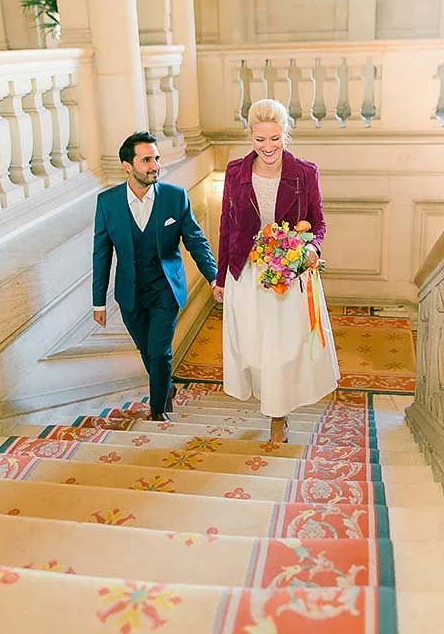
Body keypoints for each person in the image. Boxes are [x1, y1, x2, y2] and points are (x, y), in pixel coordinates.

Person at [213, 99, 340, 442]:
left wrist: (311, 248)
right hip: (247, 274)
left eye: (275, 139)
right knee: (254, 350)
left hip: (288, 274)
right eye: (260, 140)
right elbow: (227, 225)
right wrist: (221, 276)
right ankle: (270, 406)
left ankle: (276, 417)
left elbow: (319, 224)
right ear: (250, 137)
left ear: (286, 134)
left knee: (281, 351)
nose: (268, 147)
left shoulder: (305, 172)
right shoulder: (235, 172)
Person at [92, 131, 218, 421]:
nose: (155, 166)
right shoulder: (107, 203)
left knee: (160, 352)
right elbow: (101, 254)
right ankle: (166, 387)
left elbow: (196, 241)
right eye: (146, 159)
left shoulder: (175, 197)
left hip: (165, 290)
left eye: (156, 158)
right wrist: (99, 302)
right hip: (130, 294)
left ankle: (158, 411)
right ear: (127, 165)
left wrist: (213, 277)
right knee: (147, 351)